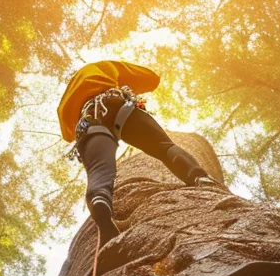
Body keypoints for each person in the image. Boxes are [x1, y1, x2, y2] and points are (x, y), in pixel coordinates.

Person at [57, 60, 219, 244]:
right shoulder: (101, 67)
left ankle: (100, 200)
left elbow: (67, 134)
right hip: (117, 103)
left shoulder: (62, 105)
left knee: (98, 169)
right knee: (164, 146)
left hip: (87, 119)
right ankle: (199, 178)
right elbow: (150, 78)